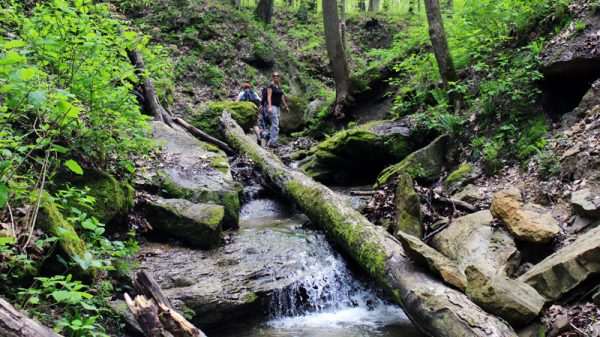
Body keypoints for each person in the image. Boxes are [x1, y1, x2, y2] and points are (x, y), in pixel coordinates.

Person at [266, 72, 290, 148]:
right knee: (275, 124)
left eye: (277, 76)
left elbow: (281, 97)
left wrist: (286, 106)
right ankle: (272, 142)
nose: (276, 77)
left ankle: (273, 141)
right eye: (274, 76)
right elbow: (269, 97)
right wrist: (269, 107)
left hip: (277, 107)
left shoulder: (278, 86)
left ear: (279, 77)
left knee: (276, 124)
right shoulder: (271, 85)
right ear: (272, 77)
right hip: (272, 106)